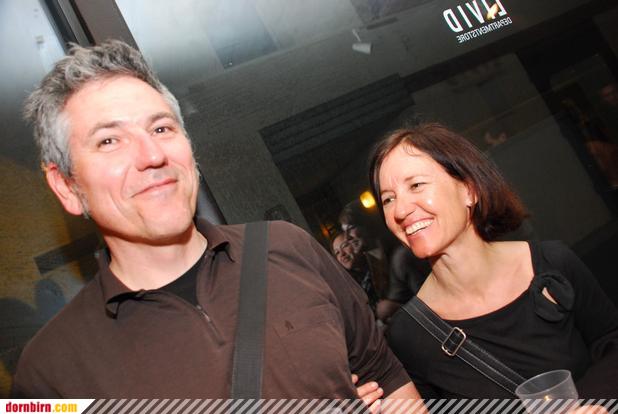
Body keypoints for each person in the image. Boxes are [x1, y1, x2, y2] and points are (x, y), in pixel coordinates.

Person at [11, 40, 421, 401]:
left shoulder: (286, 247)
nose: (152, 155)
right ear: (66, 185)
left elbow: (386, 375)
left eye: (161, 128)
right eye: (109, 141)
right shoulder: (49, 374)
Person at [368, 122, 618, 399]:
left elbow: (611, 342)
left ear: (469, 190)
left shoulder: (552, 263)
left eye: (416, 185)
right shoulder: (409, 335)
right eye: (388, 199)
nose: (400, 210)